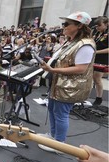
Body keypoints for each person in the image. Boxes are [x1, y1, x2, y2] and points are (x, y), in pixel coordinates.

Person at [39, 11, 96, 152]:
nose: (63, 26)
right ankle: (53, 136)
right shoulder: (71, 42)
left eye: (66, 24)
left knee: (60, 114)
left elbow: (80, 69)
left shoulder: (85, 45)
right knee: (52, 109)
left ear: (79, 26)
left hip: (70, 87)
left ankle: (59, 143)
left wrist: (53, 71)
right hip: (59, 84)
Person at [92, 16, 108, 105]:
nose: (97, 27)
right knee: (89, 77)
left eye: (99, 25)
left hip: (102, 59)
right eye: (96, 26)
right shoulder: (97, 33)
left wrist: (96, 52)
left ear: (106, 24)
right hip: (93, 57)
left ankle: (99, 98)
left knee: (97, 79)